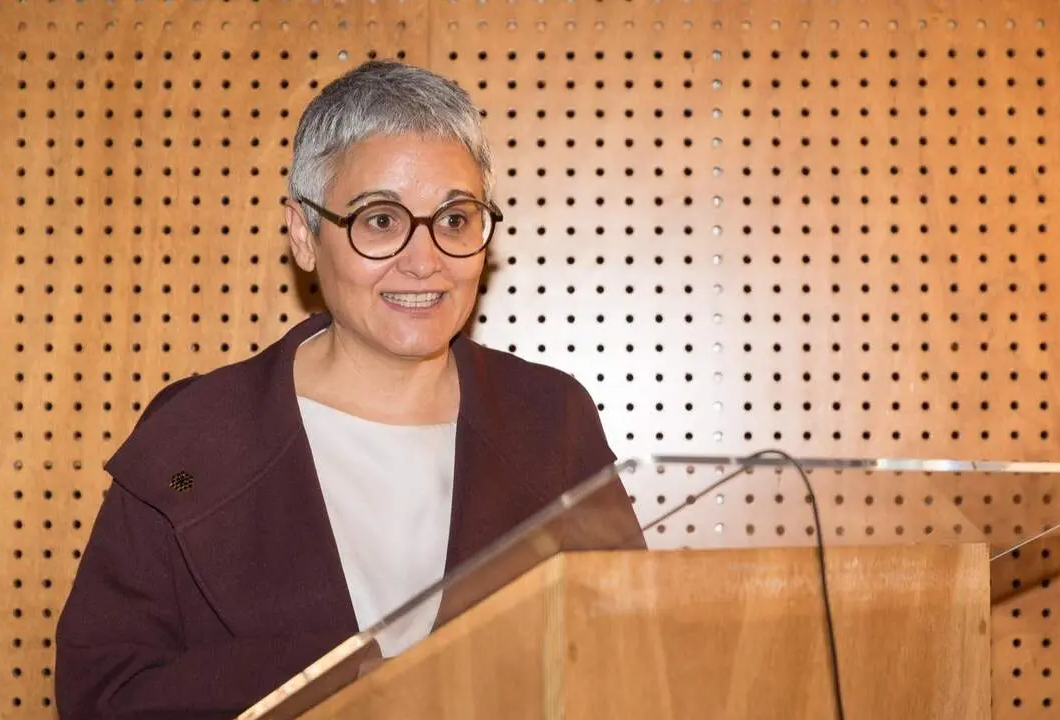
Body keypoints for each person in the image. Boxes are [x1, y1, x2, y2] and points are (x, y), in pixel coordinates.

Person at [54, 59, 641, 720]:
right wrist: (355, 682)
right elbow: (104, 695)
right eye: (381, 221)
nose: (426, 261)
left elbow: (630, 665)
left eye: (454, 219)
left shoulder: (550, 420)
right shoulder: (194, 436)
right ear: (304, 235)